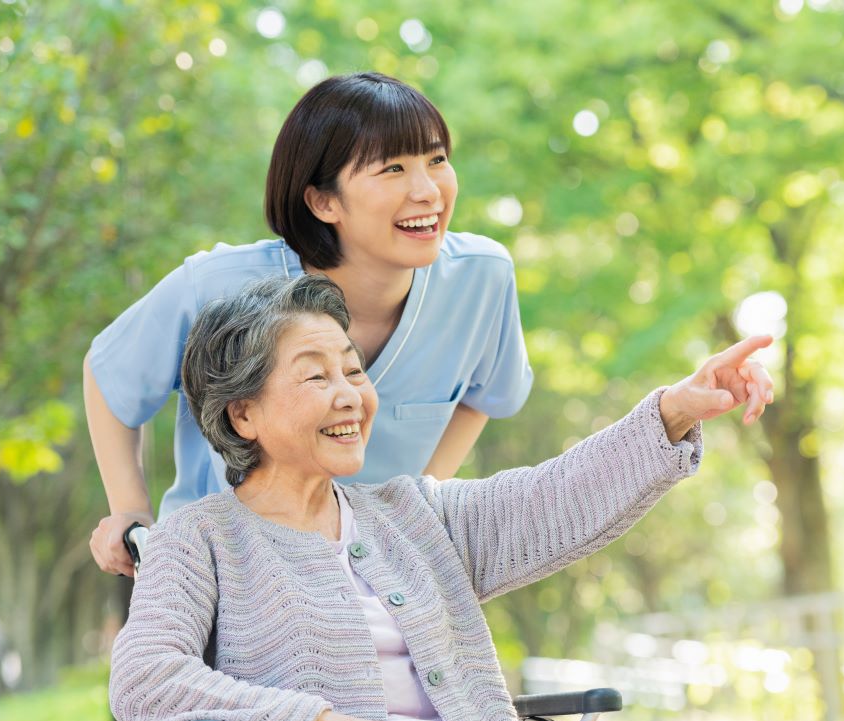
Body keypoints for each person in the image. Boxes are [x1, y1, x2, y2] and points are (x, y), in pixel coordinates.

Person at [108, 276, 775, 721]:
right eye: (317, 375)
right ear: (242, 412)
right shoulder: (199, 539)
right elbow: (145, 678)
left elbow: (552, 499)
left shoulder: (410, 513)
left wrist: (673, 411)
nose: (348, 395)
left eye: (353, 370)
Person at [84, 73, 533, 577]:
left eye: (437, 160)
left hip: (376, 583)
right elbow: (110, 374)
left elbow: (485, 395)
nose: (427, 190)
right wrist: (128, 507)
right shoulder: (216, 286)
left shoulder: (483, 278)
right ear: (323, 201)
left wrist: (412, 507)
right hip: (220, 580)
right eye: (392, 168)